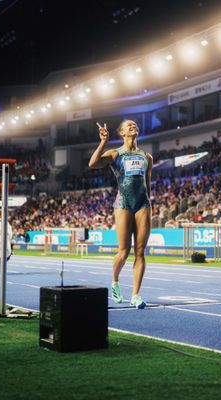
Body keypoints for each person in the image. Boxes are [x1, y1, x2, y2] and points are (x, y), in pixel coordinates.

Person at [89, 120, 152, 309]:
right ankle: (115, 281)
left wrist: (149, 204)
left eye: (134, 125)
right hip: (123, 204)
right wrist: (103, 142)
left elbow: (148, 184)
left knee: (140, 252)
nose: (133, 126)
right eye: (128, 125)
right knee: (124, 252)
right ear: (122, 133)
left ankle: (135, 295)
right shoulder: (115, 153)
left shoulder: (147, 156)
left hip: (143, 205)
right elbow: (92, 164)